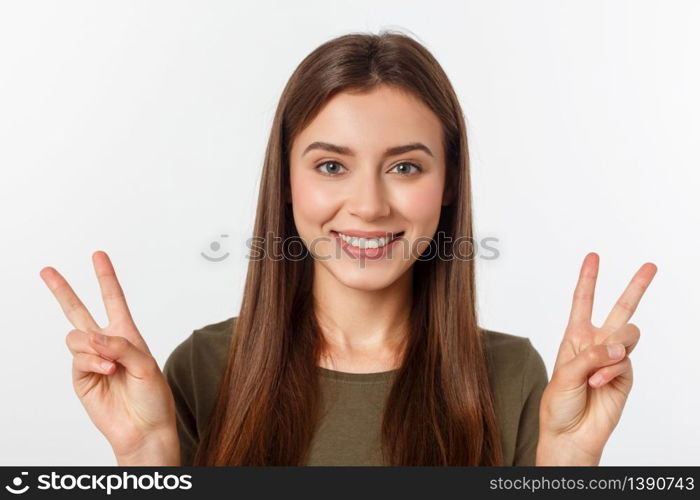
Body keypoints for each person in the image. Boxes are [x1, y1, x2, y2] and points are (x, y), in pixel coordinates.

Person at [39, 30, 657, 466]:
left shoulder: (514, 376)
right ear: (286, 183)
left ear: (448, 186)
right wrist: (144, 457)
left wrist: (572, 461)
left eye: (406, 168)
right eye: (332, 165)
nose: (368, 204)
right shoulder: (203, 369)